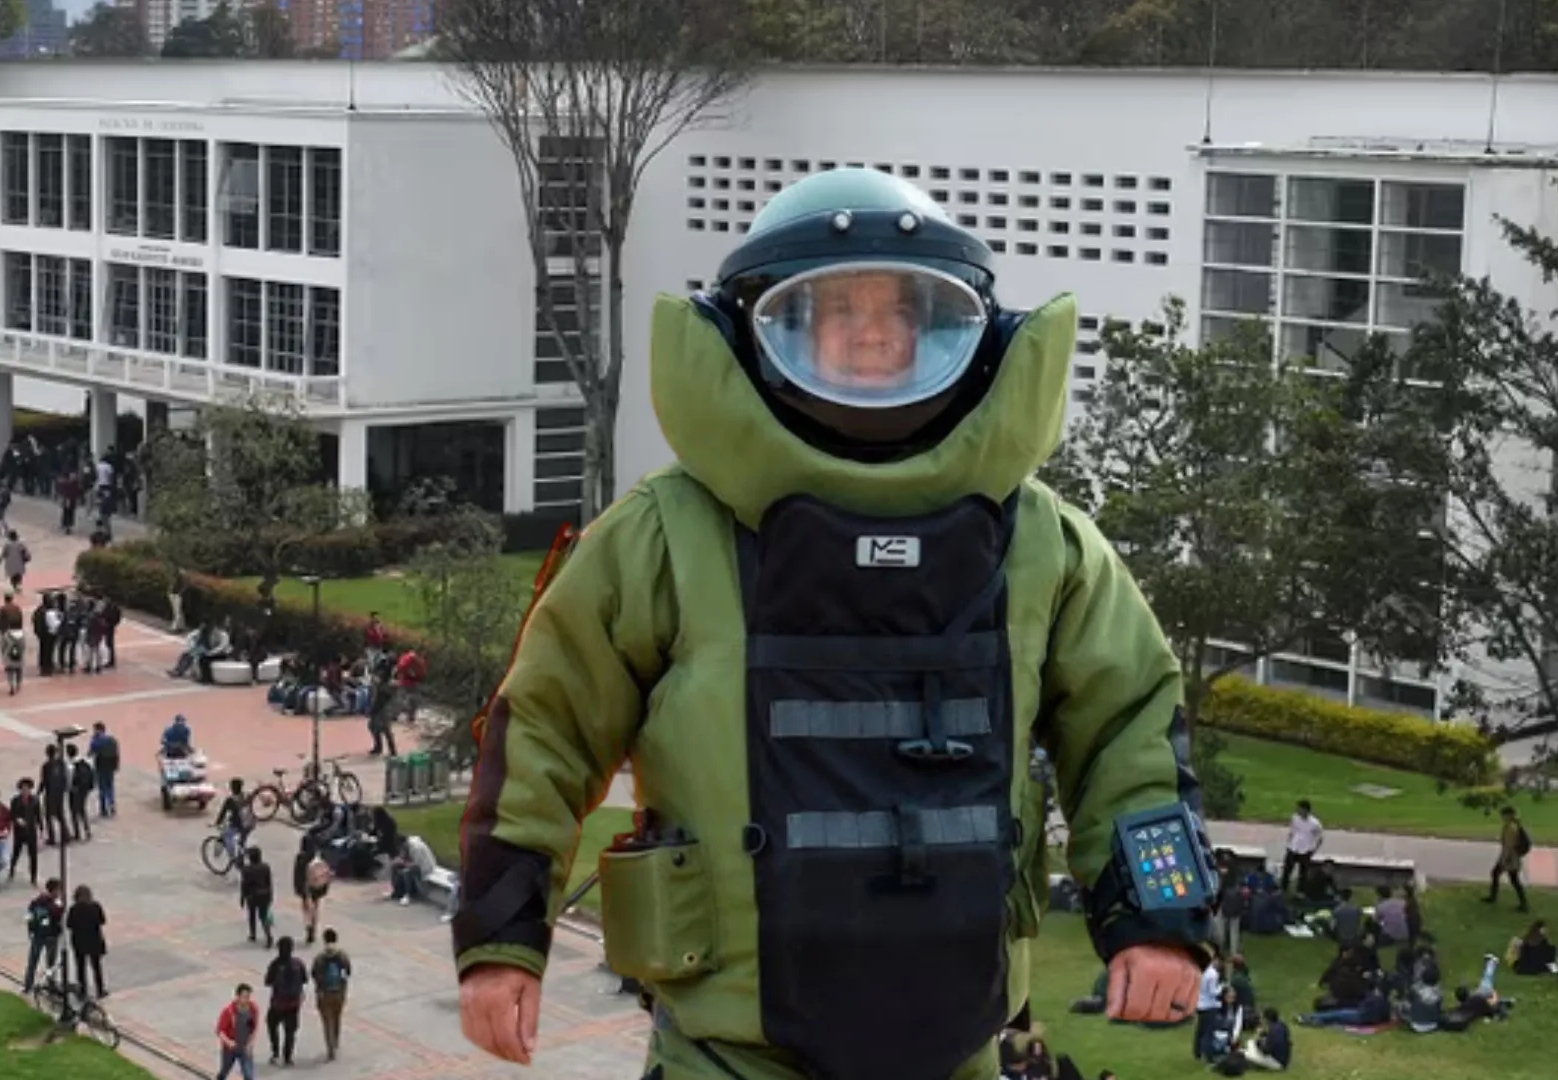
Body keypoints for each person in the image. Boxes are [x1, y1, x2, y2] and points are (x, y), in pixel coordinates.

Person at [453, 167, 1214, 1077]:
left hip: (955, 1044)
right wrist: (502, 942)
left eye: (898, 311)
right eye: (833, 312)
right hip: (728, 1054)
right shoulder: (669, 533)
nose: (869, 336)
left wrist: (1157, 925)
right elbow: (547, 724)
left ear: (954, 335)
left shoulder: (1039, 540)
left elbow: (1126, 724)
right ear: (760, 335)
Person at [262, 936, 308, 1066]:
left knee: (272, 1025)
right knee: (290, 1031)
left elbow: (267, 982)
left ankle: (275, 1052)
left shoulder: (275, 964)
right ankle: (288, 1056)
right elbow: (305, 980)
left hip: (277, 1003)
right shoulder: (298, 963)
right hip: (293, 1003)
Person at [312, 928, 352, 1061]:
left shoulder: (320, 957)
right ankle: (336, 1041)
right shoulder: (342, 954)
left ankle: (330, 1048)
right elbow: (348, 971)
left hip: (324, 993)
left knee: (327, 1021)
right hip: (339, 991)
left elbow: (314, 974)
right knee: (337, 1017)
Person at [1483, 805, 1531, 912]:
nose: (1502, 817)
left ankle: (1522, 904)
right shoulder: (1511, 825)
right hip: (1510, 857)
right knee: (1506, 877)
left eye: (1504, 815)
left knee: (1508, 878)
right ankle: (1522, 904)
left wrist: (1504, 860)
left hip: (1510, 858)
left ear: (1509, 815)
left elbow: (1509, 845)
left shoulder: (1511, 827)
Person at [22, 878, 65, 994]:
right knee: (51, 963)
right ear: (55, 890)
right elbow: (59, 917)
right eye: (59, 889)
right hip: (51, 936)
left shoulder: (36, 901)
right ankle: (51, 984)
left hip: (38, 935)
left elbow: (29, 916)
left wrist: (30, 930)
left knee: (32, 961)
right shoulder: (56, 904)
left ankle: (28, 984)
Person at [66, 884, 108, 999]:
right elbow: (102, 921)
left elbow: (69, 925)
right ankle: (100, 990)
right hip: (94, 940)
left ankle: (82, 991)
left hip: (79, 941)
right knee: (96, 966)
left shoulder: (74, 909)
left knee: (80, 967)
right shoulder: (95, 906)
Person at [293, 832, 331, 945]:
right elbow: (325, 872)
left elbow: (298, 874)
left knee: (306, 907)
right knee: (316, 906)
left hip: (305, 886)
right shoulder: (318, 857)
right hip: (317, 886)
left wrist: (298, 888)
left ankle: (308, 926)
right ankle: (313, 927)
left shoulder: (300, 857)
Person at [215, 984, 260, 1080]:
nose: (247, 1000)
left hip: (244, 1047)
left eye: (248, 997)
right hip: (230, 1049)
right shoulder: (228, 1011)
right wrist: (229, 1042)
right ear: (238, 997)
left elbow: (254, 1028)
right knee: (224, 1071)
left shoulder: (253, 1009)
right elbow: (220, 1031)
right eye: (244, 997)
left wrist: (250, 1043)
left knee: (248, 1075)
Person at [1282, 800, 1323, 895]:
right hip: (1293, 847)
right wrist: (1288, 843)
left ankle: (1300, 891)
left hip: (1305, 850)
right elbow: (1292, 830)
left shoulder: (1315, 823)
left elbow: (1319, 837)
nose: (1297, 810)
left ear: (1305, 810)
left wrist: (1313, 850)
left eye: (1300, 809)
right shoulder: (1295, 818)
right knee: (1287, 869)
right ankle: (1283, 889)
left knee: (1303, 873)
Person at [9, 777, 44, 886]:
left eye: (27, 788)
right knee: (16, 852)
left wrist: (41, 828)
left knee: (33, 855)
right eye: (23, 788)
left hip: (31, 831)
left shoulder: (35, 800)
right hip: (19, 831)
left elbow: (38, 815)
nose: (25, 791)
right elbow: (12, 815)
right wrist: (16, 820)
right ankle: (12, 869)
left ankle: (33, 876)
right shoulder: (15, 801)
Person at [239, 847, 276, 946]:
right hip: (265, 894)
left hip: (252, 896)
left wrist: (242, 898)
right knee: (264, 916)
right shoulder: (265, 867)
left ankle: (253, 934)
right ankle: (268, 935)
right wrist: (271, 895)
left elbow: (244, 885)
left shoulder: (246, 869)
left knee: (252, 914)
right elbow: (269, 882)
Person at [40, 742, 72, 847]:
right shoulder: (61, 763)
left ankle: (52, 837)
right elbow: (64, 778)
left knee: (49, 816)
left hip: (50, 794)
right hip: (59, 793)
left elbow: (44, 781)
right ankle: (66, 835)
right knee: (60, 815)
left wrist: (38, 792)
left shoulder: (46, 766)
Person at [216, 779, 253, 863]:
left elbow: (222, 813)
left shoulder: (230, 800)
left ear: (232, 787)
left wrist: (217, 823)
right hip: (249, 823)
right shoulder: (248, 795)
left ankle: (232, 856)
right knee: (241, 842)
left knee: (227, 835)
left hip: (239, 824)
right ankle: (242, 857)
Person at [89, 722, 121, 817]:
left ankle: (103, 809)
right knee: (110, 786)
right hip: (110, 766)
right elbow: (116, 753)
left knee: (102, 787)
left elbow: (91, 753)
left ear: (98, 730)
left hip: (101, 766)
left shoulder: (96, 740)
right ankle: (111, 805)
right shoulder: (112, 739)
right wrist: (116, 765)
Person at [66, 743, 95, 841]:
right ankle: (87, 831)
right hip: (85, 790)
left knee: (74, 812)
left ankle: (77, 833)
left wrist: (69, 789)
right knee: (82, 810)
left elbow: (69, 781)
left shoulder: (71, 765)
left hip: (75, 791)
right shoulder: (85, 762)